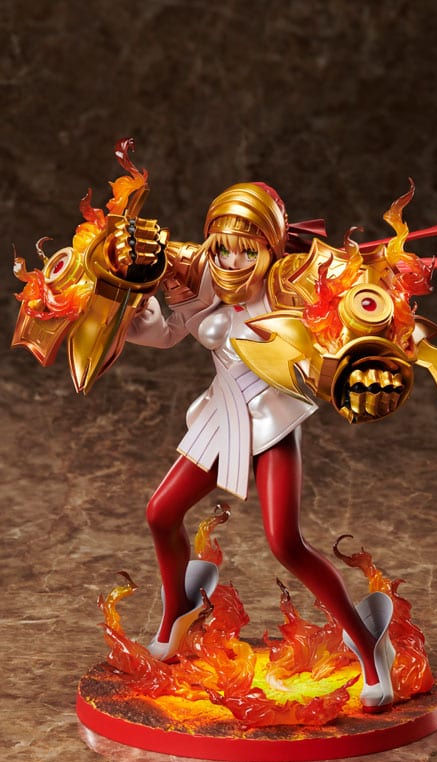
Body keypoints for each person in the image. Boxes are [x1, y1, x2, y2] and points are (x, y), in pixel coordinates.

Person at [126, 181, 396, 711]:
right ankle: (179, 607)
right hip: (222, 416)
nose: (232, 261)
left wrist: (374, 303)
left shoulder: (292, 286)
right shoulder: (203, 275)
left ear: (270, 248)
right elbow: (166, 332)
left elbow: (349, 327)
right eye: (223, 248)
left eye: (246, 251)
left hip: (273, 420)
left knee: (285, 542)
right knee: (160, 513)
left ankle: (367, 643)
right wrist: (132, 304)